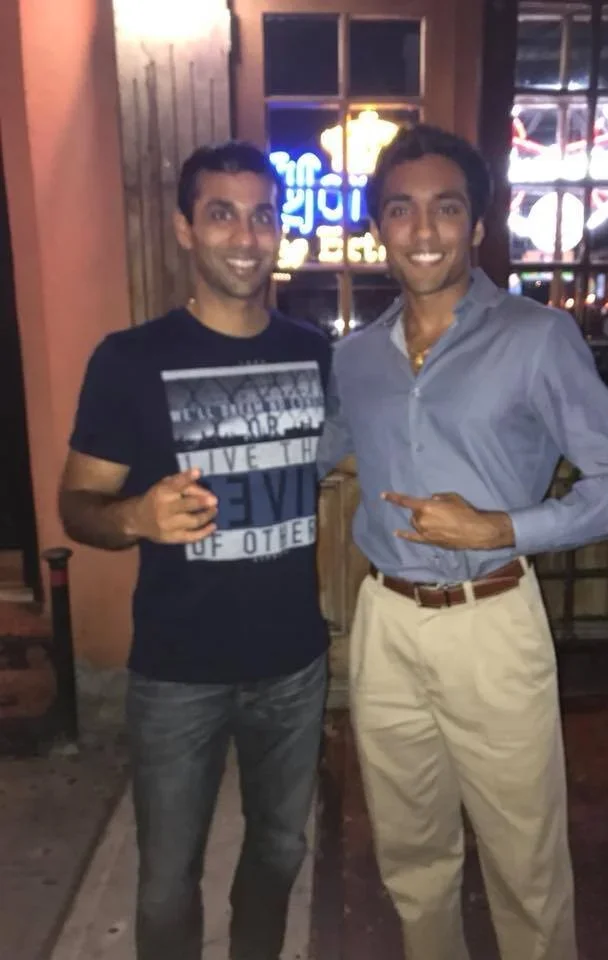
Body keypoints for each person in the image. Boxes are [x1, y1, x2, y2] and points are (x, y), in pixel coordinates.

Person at [317, 124, 608, 960]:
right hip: (385, 622)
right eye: (401, 209)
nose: (422, 230)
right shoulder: (356, 357)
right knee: (410, 855)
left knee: (524, 860)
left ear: (476, 224)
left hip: (492, 620)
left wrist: (502, 527)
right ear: (379, 226)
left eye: (445, 208)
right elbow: (315, 453)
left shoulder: (535, 338)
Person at [59, 141, 331, 960]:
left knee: (279, 851)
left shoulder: (316, 352)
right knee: (167, 880)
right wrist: (135, 516)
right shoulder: (129, 360)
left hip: (294, 665)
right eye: (222, 214)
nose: (246, 237)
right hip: (178, 673)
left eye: (262, 216)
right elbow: (76, 506)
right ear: (185, 229)